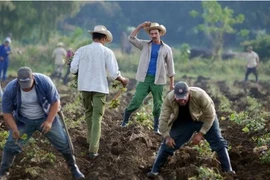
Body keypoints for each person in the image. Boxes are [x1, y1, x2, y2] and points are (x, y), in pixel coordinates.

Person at [0, 67, 85, 179]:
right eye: (23, 86)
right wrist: (14, 129)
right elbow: (7, 112)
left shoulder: (45, 82)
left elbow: (55, 102)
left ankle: (73, 168)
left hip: (46, 117)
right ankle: (3, 172)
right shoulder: (11, 88)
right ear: (18, 80)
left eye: (28, 85)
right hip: (24, 120)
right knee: (11, 145)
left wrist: (49, 121)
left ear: (33, 78)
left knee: (64, 144)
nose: (26, 89)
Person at [147, 81, 235, 177]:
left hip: (203, 119)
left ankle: (228, 170)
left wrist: (201, 133)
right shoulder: (169, 99)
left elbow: (210, 115)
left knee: (218, 141)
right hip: (184, 121)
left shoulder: (200, 95)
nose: (182, 101)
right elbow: (163, 119)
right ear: (175, 95)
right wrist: (166, 136)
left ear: (188, 93)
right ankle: (154, 171)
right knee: (168, 144)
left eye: (184, 98)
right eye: (179, 99)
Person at [70, 25, 129, 159]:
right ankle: (93, 149)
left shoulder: (81, 50)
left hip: (84, 86)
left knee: (88, 113)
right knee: (97, 117)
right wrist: (123, 80)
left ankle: (90, 141)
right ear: (103, 38)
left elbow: (73, 69)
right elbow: (114, 74)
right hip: (99, 87)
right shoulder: (107, 52)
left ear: (93, 37)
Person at [120, 21, 175, 133]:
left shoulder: (166, 49)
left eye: (156, 33)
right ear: (149, 35)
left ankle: (156, 127)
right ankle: (125, 119)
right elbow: (131, 38)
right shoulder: (145, 45)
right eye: (151, 34)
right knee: (137, 99)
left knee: (158, 104)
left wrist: (171, 84)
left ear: (160, 34)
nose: (154, 36)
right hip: (145, 78)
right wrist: (140, 26)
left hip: (158, 80)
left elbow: (170, 67)